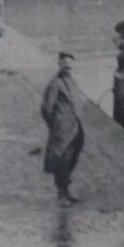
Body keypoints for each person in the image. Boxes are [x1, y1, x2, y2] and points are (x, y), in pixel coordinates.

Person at [40, 52, 85, 205]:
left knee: (72, 159)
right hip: (62, 129)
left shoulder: (73, 82)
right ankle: (61, 194)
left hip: (75, 128)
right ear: (60, 65)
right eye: (65, 65)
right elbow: (46, 109)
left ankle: (67, 191)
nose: (68, 68)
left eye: (71, 66)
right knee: (62, 161)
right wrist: (55, 124)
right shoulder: (55, 84)